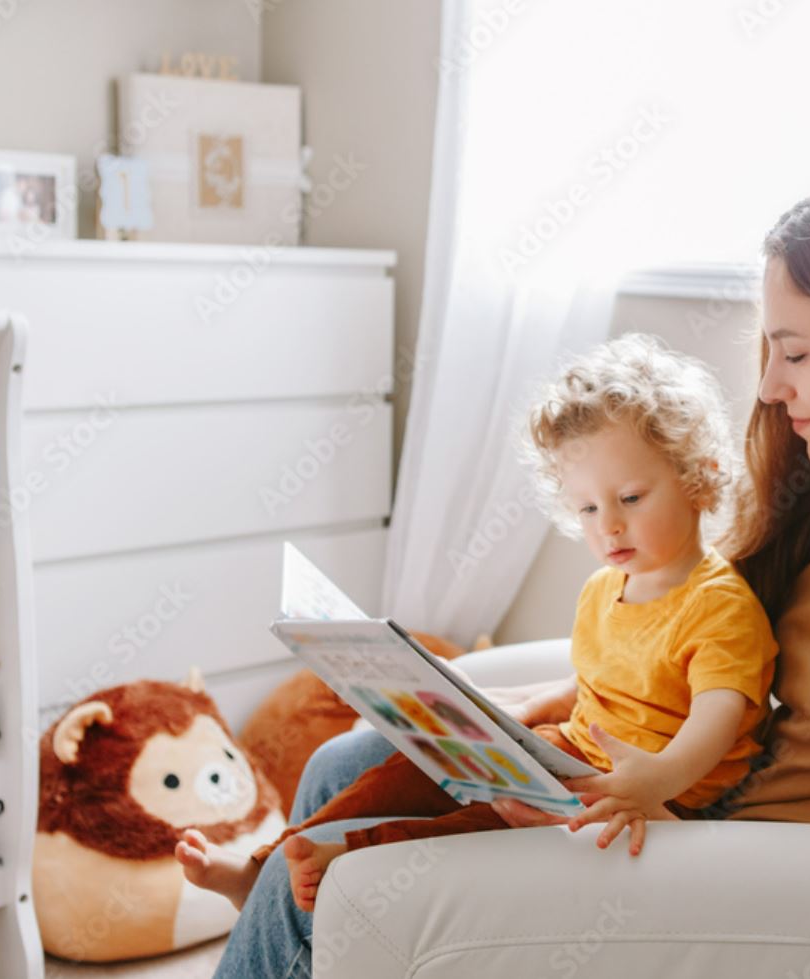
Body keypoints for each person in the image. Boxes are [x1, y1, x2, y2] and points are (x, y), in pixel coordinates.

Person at [209, 173, 810, 979]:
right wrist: (503, 719)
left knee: (347, 877)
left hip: (734, 876)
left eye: (794, 353)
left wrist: (658, 827)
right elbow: (691, 655)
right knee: (347, 760)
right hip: (672, 806)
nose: (765, 386)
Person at [176, 334, 778, 913]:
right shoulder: (605, 588)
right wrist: (517, 712)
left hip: (656, 797)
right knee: (415, 764)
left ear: (697, 477)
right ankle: (261, 867)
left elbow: (716, 720)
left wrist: (653, 781)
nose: (608, 527)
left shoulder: (720, 606)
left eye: (631, 498)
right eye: (588, 508)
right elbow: (598, 680)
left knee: (490, 821)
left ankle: (344, 858)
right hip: (574, 758)